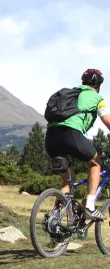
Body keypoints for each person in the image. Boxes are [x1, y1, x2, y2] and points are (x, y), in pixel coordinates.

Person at [45, 68, 110, 220]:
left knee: (68, 179)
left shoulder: (71, 94)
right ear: (98, 85)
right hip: (71, 135)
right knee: (96, 164)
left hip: (51, 137)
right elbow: (107, 121)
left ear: (83, 82)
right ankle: (90, 206)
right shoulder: (96, 98)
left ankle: (55, 219)